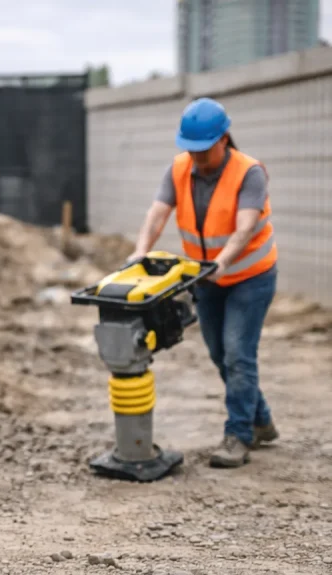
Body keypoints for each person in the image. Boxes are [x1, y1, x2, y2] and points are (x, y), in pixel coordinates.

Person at [129, 97, 279, 469]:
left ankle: (239, 435)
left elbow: (244, 227)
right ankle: (260, 418)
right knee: (219, 353)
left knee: (237, 353)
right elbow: (157, 213)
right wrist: (139, 252)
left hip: (250, 276)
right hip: (207, 279)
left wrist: (222, 262)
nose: (196, 157)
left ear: (224, 139)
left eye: (203, 150)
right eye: (190, 150)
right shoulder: (179, 170)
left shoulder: (249, 173)